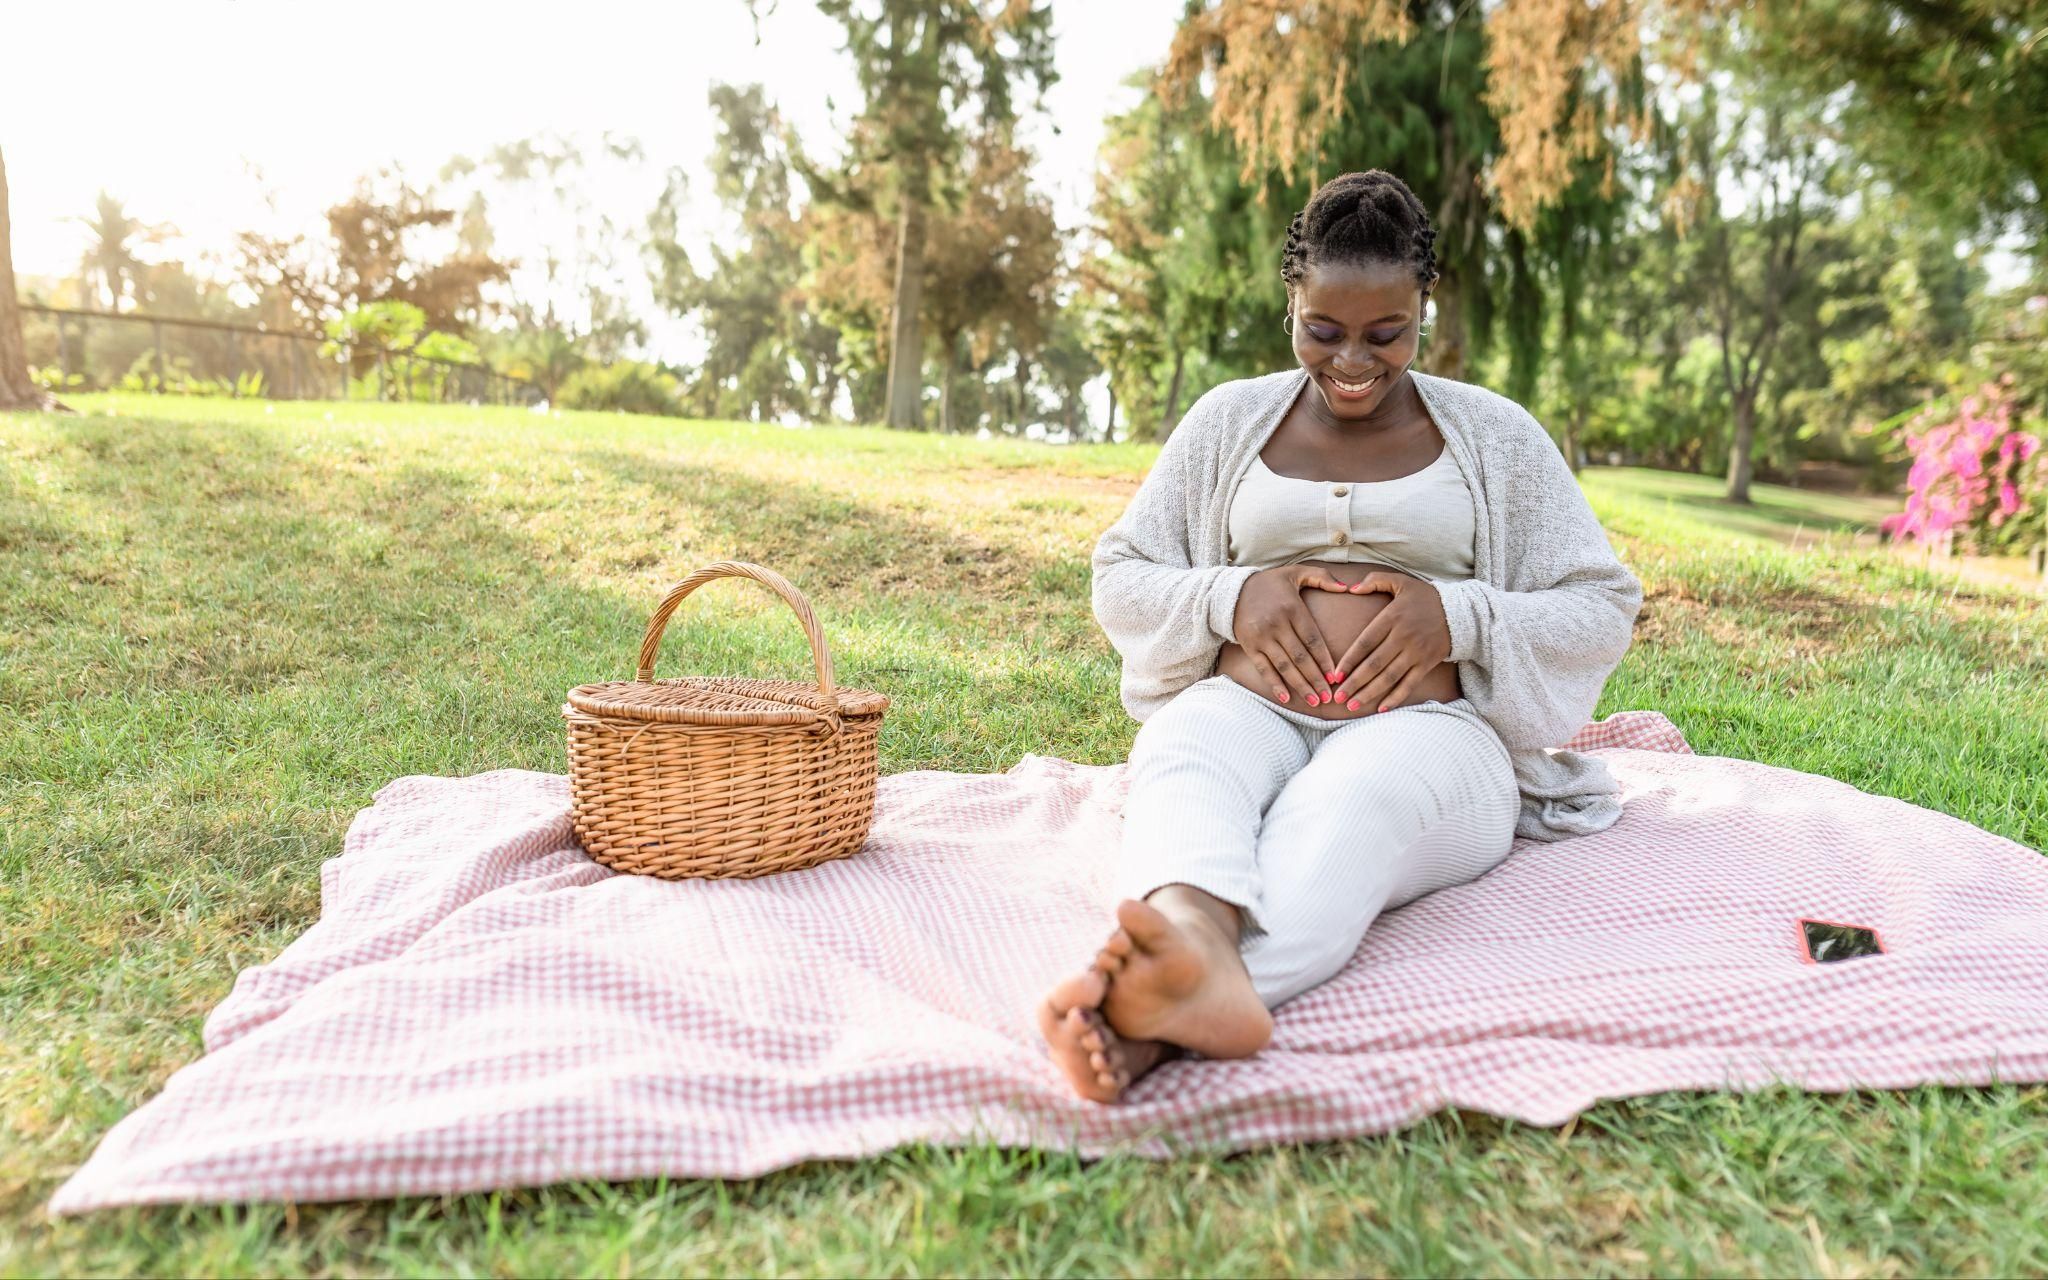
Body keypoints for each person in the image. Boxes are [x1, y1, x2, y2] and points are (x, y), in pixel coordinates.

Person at [1036, 170, 1642, 1103]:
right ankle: (1192, 943)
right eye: (1324, 332)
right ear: (1291, 304)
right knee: (1187, 762)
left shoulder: (1497, 434)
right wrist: (1229, 598)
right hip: (1245, 708)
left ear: (1423, 309)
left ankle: (1146, 1011)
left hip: (1433, 739)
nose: (1353, 360)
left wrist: (1461, 615)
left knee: (1349, 807)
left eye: (1385, 334)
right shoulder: (1227, 421)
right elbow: (1122, 571)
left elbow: (1600, 600)